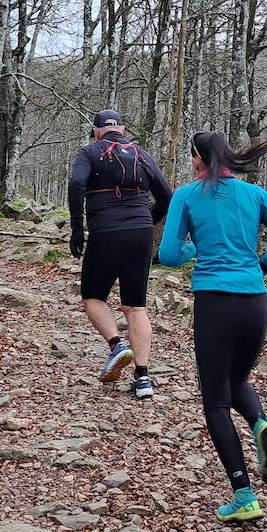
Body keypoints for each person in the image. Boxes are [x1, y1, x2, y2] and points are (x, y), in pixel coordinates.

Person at [158, 130, 267, 522]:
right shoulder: (254, 194)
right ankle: (260, 423)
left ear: (198, 159)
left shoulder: (187, 196)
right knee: (237, 378)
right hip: (255, 303)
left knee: (216, 400)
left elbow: (169, 254)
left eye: (192, 157)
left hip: (215, 303)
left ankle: (243, 495)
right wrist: (266, 265)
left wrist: (195, 249)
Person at [68, 109, 173, 399]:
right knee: (135, 307)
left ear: (97, 130)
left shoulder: (90, 152)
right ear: (123, 130)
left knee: (92, 296)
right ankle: (143, 378)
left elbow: (77, 184)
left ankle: (117, 346)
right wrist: (147, 221)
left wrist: (77, 229)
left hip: (106, 232)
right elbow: (168, 196)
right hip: (140, 234)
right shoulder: (142, 155)